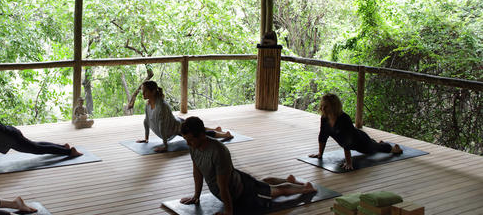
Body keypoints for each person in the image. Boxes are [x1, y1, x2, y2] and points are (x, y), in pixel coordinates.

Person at [179, 117, 316, 215]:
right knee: (263, 183)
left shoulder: (218, 151)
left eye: (190, 139)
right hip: (237, 180)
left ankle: (305, 188)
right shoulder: (194, 147)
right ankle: (289, 179)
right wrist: (196, 196)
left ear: (202, 135)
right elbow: (197, 172)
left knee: (276, 191)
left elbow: (223, 186)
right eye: (186, 139)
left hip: (243, 193)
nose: (188, 143)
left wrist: (228, 211)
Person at [0, 93, 82, 177]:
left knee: (36, 149)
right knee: (34, 145)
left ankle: (70, 152)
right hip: (9, 135)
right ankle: (63, 147)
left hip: (11, 138)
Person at [133, 80, 232, 152]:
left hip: (176, 127)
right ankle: (216, 129)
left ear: (153, 91)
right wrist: (146, 139)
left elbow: (162, 126)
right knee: (195, 126)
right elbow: (146, 121)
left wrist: (165, 146)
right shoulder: (148, 104)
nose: (143, 93)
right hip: (175, 121)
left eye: (145, 91)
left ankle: (225, 135)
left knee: (198, 134)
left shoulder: (161, 106)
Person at [309, 93, 402, 170]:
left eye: (326, 106)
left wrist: (349, 162)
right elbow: (322, 136)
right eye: (322, 105)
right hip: (352, 141)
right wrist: (320, 154)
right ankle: (378, 143)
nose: (322, 108)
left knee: (373, 149)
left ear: (333, 107)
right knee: (374, 146)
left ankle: (394, 149)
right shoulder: (325, 118)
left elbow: (347, 140)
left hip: (361, 141)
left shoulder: (344, 118)